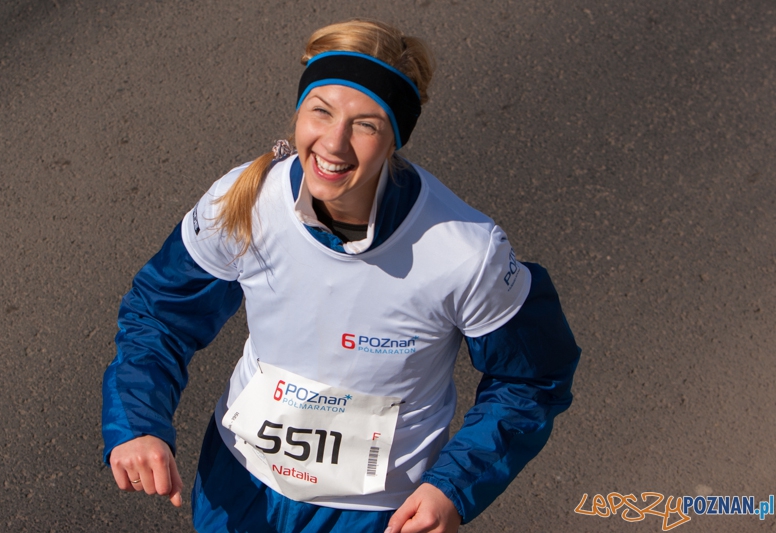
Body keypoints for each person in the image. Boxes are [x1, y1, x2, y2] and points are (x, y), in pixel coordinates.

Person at [102, 19, 580, 533]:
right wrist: (138, 423)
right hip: (239, 485)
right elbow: (160, 314)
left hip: (374, 515)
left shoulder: (465, 251)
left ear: (394, 138)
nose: (334, 143)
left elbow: (529, 379)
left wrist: (453, 487)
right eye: (320, 112)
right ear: (299, 113)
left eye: (366, 124)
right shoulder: (245, 198)